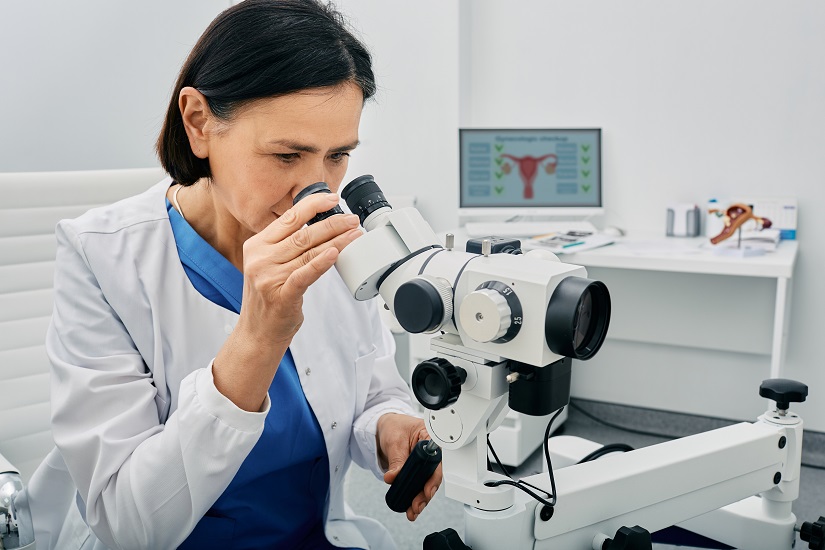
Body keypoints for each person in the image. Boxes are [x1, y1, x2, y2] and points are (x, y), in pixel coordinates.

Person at [29, 1, 441, 548]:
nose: (316, 191)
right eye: (287, 155)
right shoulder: (102, 258)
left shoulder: (338, 242)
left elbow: (372, 390)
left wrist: (388, 427)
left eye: (337, 155)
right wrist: (258, 337)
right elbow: (128, 524)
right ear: (199, 122)